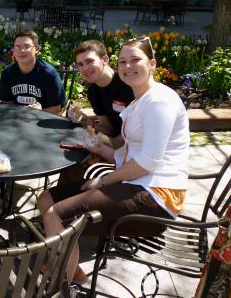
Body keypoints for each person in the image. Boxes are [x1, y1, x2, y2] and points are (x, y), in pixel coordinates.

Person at [38, 37, 190, 292]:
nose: (128, 66)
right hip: (136, 183)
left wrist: (105, 180)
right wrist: (100, 149)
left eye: (135, 60)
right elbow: (129, 153)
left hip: (158, 196)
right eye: (123, 61)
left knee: (58, 214)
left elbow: (147, 161)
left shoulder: (159, 102)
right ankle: (69, 268)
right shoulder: (140, 100)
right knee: (46, 199)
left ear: (152, 63)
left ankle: (60, 286)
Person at [72, 40, 135, 147]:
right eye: (80, 64)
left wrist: (108, 144)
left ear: (105, 60)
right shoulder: (93, 91)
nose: (85, 68)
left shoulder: (128, 84)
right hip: (116, 145)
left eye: (89, 61)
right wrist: (88, 122)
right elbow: (108, 128)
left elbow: (137, 133)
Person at [0, 30, 64, 114]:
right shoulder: (7, 73)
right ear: (13, 51)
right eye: (17, 47)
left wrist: (33, 113)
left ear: (36, 49)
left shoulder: (49, 74)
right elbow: (5, 103)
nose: (22, 50)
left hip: (41, 120)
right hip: (15, 119)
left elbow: (56, 109)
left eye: (26, 46)